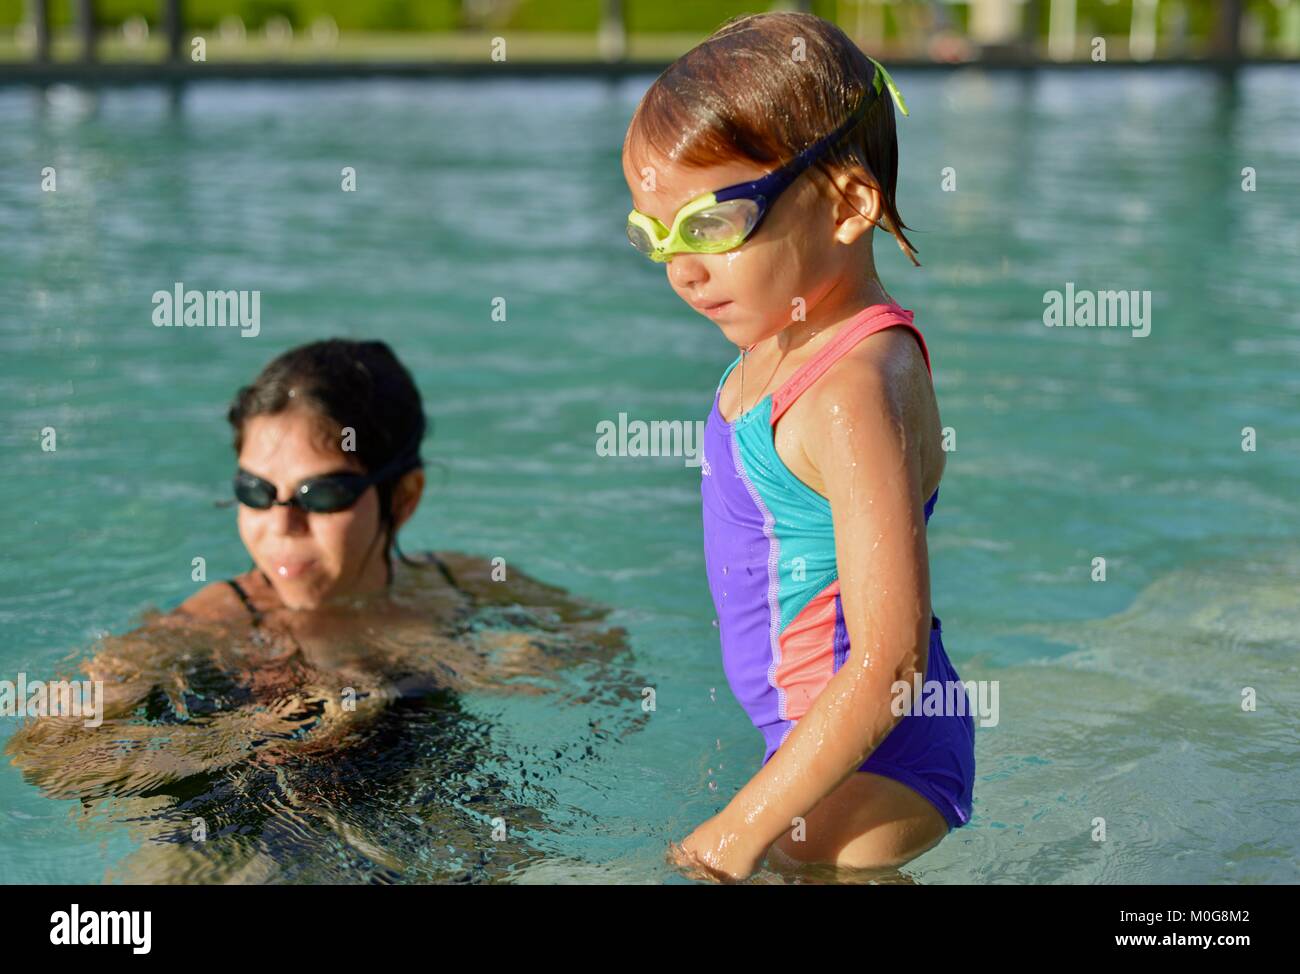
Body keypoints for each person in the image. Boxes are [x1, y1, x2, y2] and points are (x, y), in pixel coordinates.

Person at [5, 338, 633, 883]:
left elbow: (608, 661)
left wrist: (519, 666)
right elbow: (45, 751)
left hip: (427, 804)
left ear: (405, 496)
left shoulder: (465, 585)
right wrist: (248, 733)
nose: (281, 524)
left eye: (322, 493)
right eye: (255, 491)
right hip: (231, 827)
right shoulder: (212, 621)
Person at [621, 11, 975, 881]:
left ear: (851, 204)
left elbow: (892, 659)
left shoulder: (854, 385)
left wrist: (737, 831)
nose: (682, 269)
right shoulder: (784, 335)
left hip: (882, 757)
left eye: (709, 225)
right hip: (823, 736)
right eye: (654, 235)